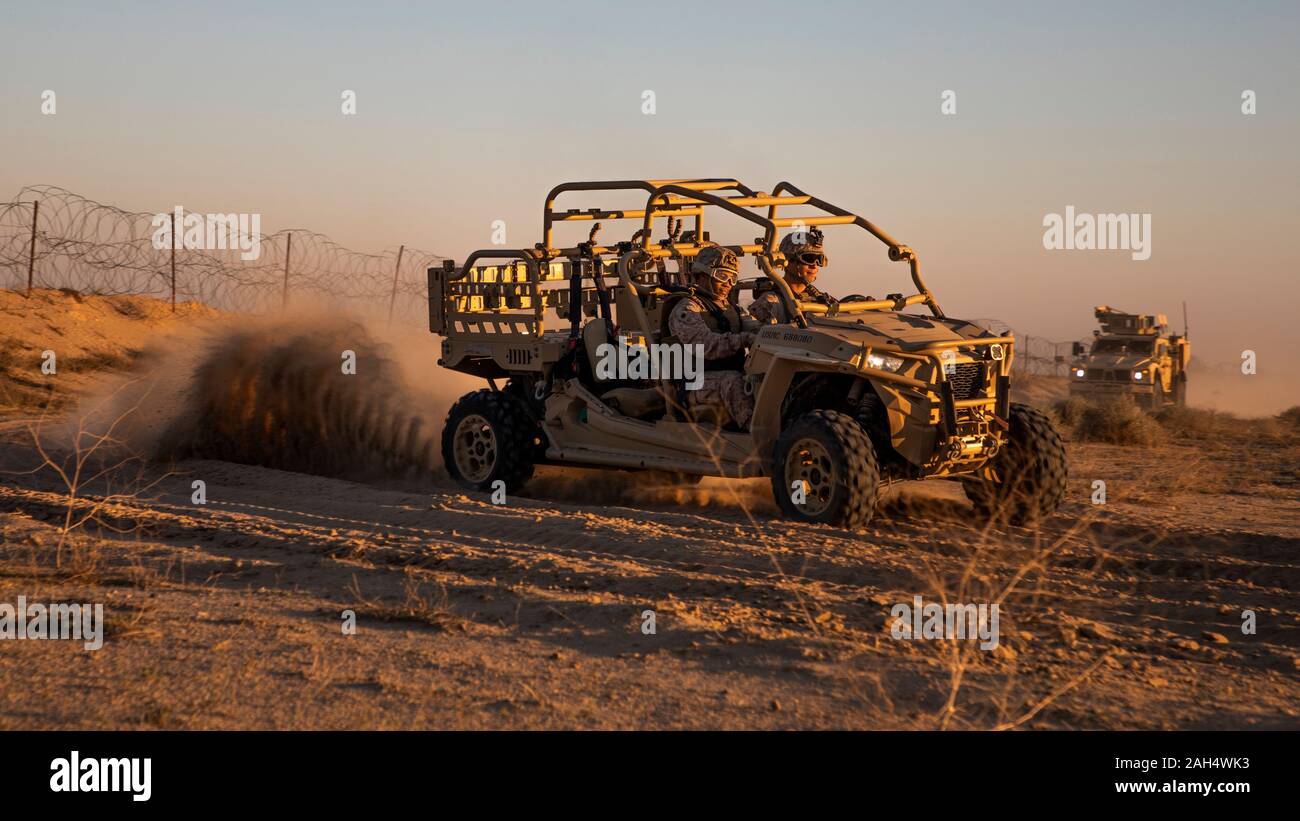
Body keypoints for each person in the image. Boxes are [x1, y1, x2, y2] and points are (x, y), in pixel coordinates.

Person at [665, 245, 760, 429]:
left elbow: (756, 328)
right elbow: (705, 345)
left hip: (726, 373)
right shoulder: (686, 309)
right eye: (722, 276)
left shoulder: (733, 309)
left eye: (732, 278)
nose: (728, 284)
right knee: (733, 382)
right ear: (702, 275)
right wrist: (743, 339)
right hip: (693, 384)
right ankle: (758, 437)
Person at [749, 226, 837, 324]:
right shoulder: (770, 303)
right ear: (787, 261)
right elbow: (758, 337)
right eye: (808, 258)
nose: (814, 265)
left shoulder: (823, 300)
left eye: (819, 259)